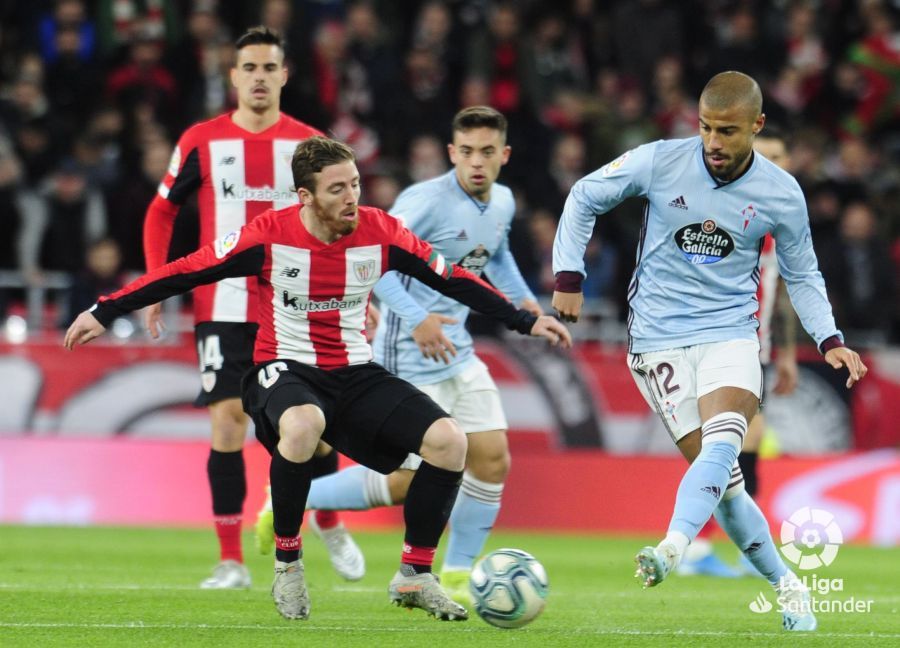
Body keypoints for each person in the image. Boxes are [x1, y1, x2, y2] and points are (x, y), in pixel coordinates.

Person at [65, 135, 571, 621]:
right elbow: (187, 270)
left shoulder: (382, 232)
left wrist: (524, 320)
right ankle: (288, 565)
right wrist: (105, 309)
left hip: (353, 371)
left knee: (449, 442)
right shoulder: (268, 234)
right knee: (303, 424)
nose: (352, 197)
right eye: (337, 188)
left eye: (354, 184)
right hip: (283, 368)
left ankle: (414, 574)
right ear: (305, 196)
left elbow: (454, 279)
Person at [552, 71, 867, 632]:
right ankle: (788, 584)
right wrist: (569, 276)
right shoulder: (659, 161)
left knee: (725, 442)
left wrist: (831, 339)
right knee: (723, 485)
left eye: (727, 130)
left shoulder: (781, 192)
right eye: (705, 128)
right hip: (655, 341)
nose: (714, 143)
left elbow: (803, 273)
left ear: (757, 126)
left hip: (731, 333)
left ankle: (672, 545)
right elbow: (583, 196)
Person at [254, 106, 540, 605]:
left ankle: (452, 576)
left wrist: (524, 302)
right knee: (410, 477)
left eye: (487, 152)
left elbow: (496, 253)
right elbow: (370, 256)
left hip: (460, 348)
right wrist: (415, 317)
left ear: (504, 155)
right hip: (406, 348)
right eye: (467, 151)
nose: (477, 162)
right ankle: (298, 500)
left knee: (491, 459)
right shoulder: (423, 201)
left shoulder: (504, 203)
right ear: (452, 153)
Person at [141, 26, 360, 589]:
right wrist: (155, 281)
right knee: (227, 423)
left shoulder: (310, 146)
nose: (259, 77)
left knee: (319, 425)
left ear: (284, 75)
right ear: (233, 75)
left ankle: (329, 520)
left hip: (299, 301)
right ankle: (230, 560)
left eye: (269, 67)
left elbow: (342, 216)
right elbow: (161, 211)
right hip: (222, 303)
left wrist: (362, 291)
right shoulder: (202, 141)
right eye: (249, 68)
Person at [677, 126, 801, 578]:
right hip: (720, 343)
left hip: (758, 349)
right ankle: (701, 546)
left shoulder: (783, 218)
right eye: (763, 155)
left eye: (778, 156)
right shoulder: (733, 212)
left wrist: (784, 354)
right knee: (731, 444)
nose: (770, 164)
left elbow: (781, 291)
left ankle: (729, 546)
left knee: (745, 443)